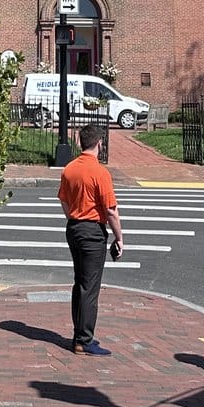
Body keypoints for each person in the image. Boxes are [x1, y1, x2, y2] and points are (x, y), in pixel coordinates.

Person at [57, 125, 123, 354]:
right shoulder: (100, 172)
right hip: (92, 231)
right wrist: (119, 237)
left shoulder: (69, 169)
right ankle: (84, 340)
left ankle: (79, 334)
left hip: (74, 228)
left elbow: (63, 200)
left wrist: (74, 217)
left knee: (80, 283)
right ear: (99, 143)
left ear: (80, 143)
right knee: (90, 287)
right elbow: (111, 210)